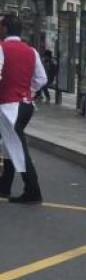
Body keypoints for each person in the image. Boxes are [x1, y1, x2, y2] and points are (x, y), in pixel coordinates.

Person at [0, 13, 47, 204]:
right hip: (26, 105)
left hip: (8, 105)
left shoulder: (1, 48)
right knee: (11, 143)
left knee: (18, 148)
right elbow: (42, 79)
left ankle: (33, 190)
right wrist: (29, 91)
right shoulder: (31, 51)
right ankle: (4, 185)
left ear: (4, 29)